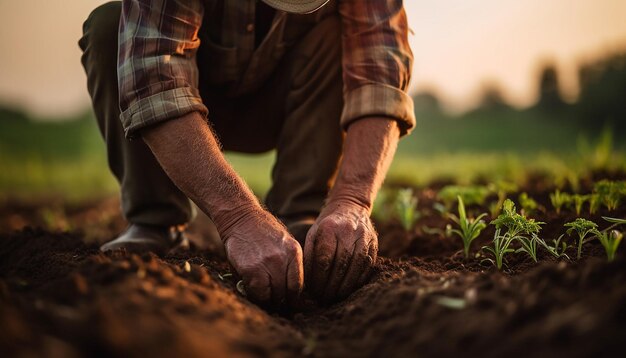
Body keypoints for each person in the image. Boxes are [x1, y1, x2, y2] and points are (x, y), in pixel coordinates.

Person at [79, 0, 414, 305]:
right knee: (110, 27)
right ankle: (155, 220)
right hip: (185, 112)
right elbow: (153, 77)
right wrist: (238, 217)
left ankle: (303, 219)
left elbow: (380, 78)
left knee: (336, 32)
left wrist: (352, 201)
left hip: (287, 99)